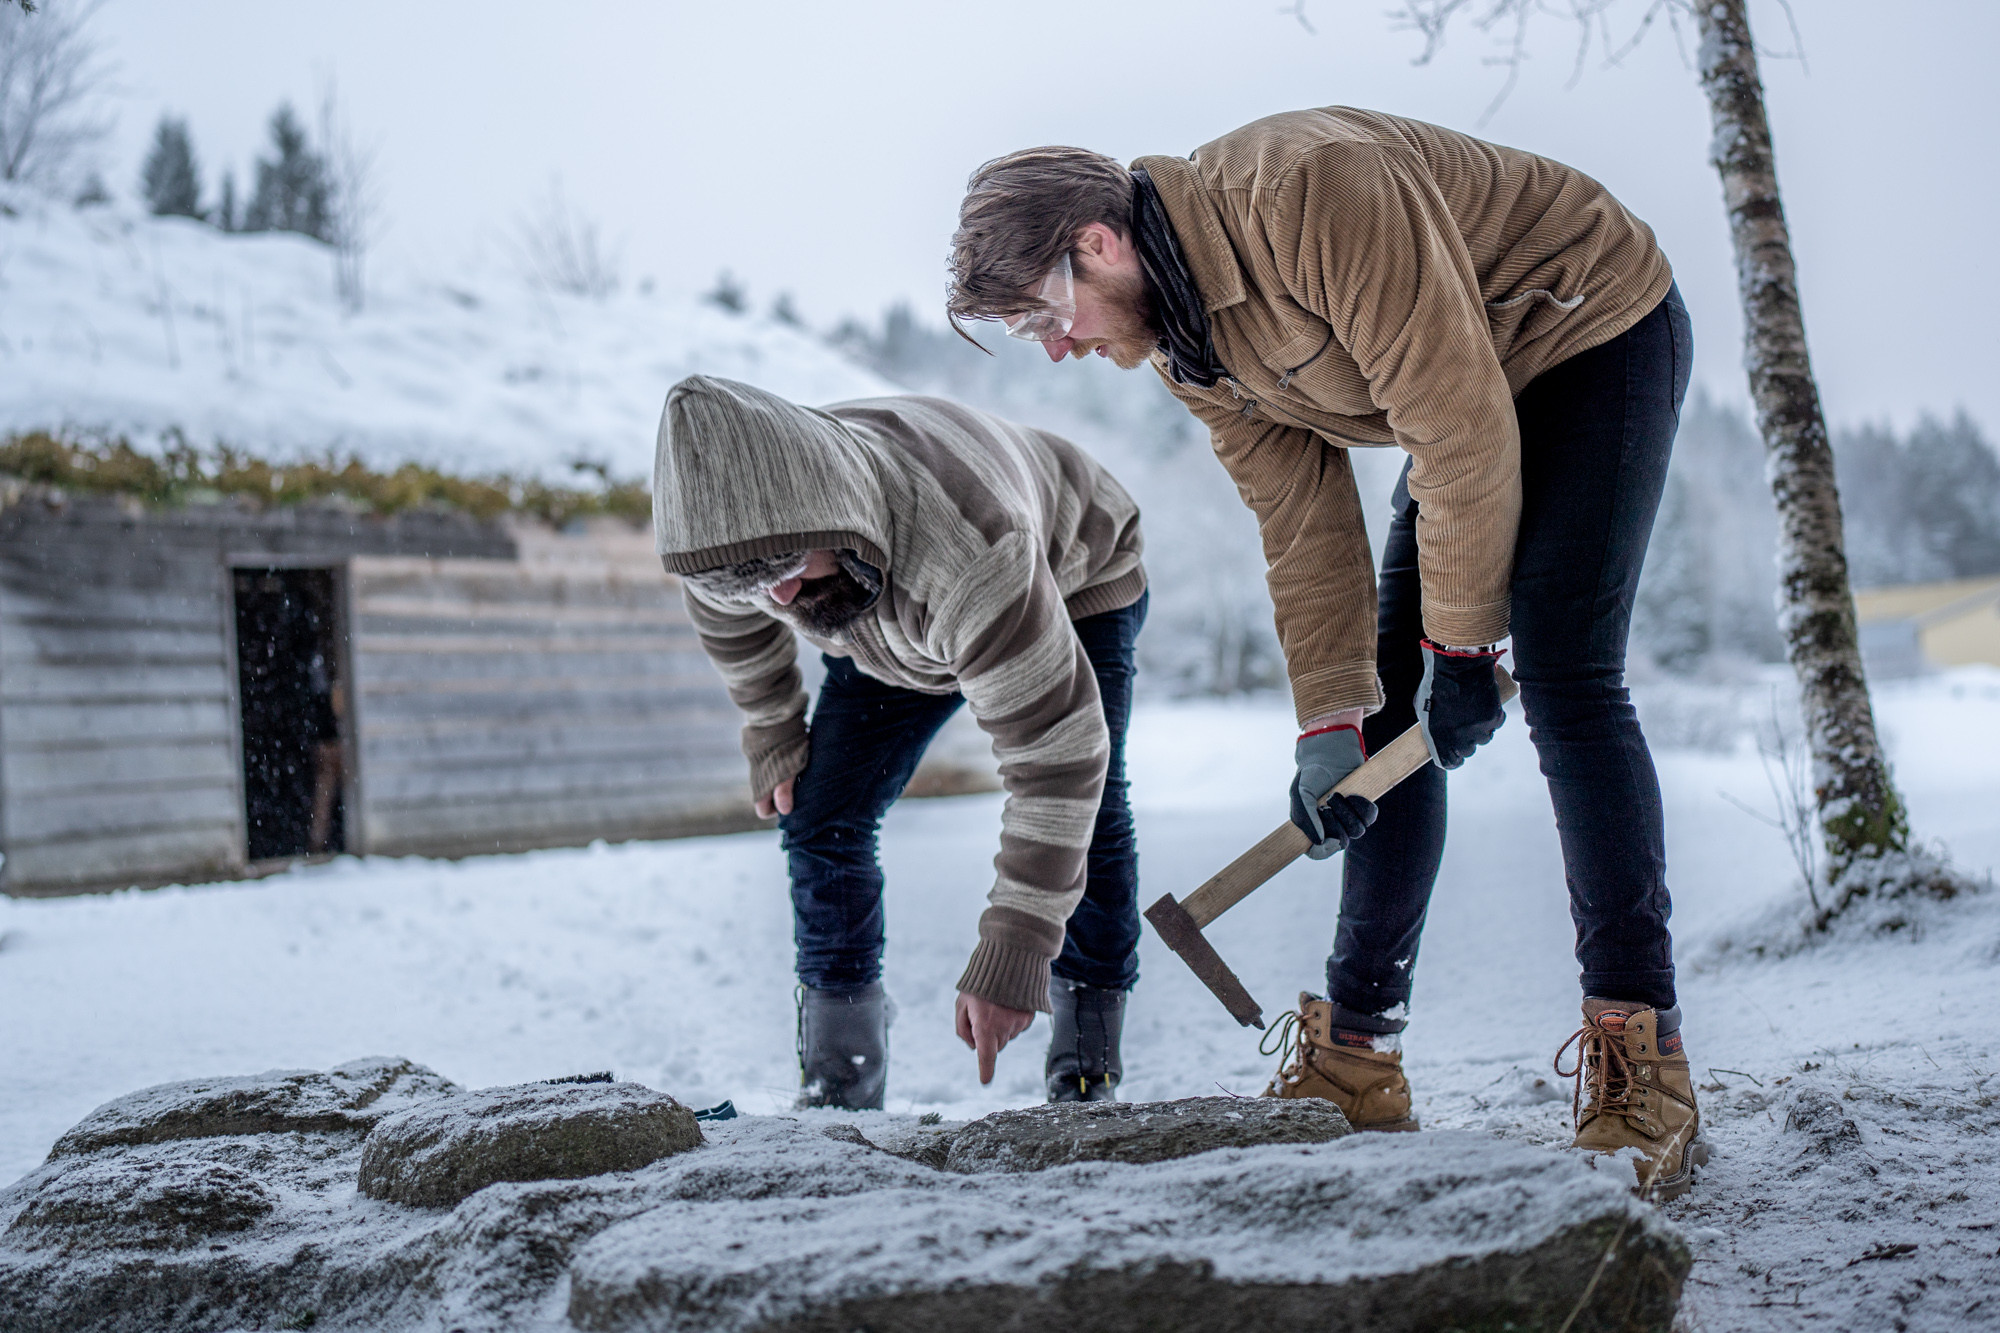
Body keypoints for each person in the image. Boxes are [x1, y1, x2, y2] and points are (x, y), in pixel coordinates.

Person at [946, 107, 1701, 1197]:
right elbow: (1303, 528)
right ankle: (1356, 1057)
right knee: (1388, 712)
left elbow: (1455, 426)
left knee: (1566, 674)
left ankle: (1642, 1059)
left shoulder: (1312, 192)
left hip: (1589, 328)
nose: (1057, 346)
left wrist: (1462, 645)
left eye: (1044, 315)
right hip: (1470, 388)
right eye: (1031, 335)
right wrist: (1329, 721)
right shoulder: (1189, 348)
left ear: (1096, 243)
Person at [655, 374, 1148, 1109]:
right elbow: (730, 615)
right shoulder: (733, 535)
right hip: (893, 620)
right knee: (819, 813)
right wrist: (773, 725)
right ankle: (842, 1071)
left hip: (1071, 571)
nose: (779, 597)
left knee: (1091, 812)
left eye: (786, 569)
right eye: (753, 584)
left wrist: (1017, 945)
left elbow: (1058, 761)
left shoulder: (971, 552)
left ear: (827, 515)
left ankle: (1086, 1064)